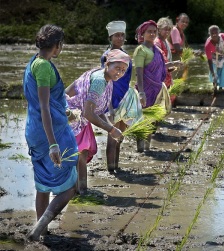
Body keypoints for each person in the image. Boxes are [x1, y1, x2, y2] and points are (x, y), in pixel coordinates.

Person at [23, 24, 78, 241]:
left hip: (34, 130)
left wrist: (65, 112)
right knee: (70, 187)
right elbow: (45, 106)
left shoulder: (33, 63)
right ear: (56, 46)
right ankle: (39, 228)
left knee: (42, 184)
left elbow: (45, 103)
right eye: (60, 44)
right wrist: (53, 143)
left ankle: (42, 231)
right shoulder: (44, 66)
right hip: (50, 133)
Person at [65, 49, 131, 194]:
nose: (119, 73)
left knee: (81, 153)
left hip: (78, 116)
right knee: (80, 154)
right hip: (70, 116)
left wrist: (110, 126)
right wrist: (111, 129)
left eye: (123, 70)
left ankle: (79, 189)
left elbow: (97, 111)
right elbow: (88, 112)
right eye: (117, 68)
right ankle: (80, 190)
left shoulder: (107, 78)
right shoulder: (100, 80)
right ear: (107, 64)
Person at [100, 21, 142, 173]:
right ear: (110, 37)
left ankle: (116, 166)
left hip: (125, 98)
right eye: (116, 35)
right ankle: (111, 170)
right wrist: (109, 106)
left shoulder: (125, 55)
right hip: (112, 99)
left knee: (120, 137)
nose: (120, 38)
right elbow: (105, 81)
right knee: (112, 136)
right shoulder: (106, 56)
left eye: (122, 35)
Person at [134, 20, 172, 152]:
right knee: (142, 118)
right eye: (149, 31)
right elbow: (139, 72)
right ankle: (140, 149)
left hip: (156, 89)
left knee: (152, 119)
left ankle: (147, 148)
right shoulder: (141, 50)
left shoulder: (157, 50)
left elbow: (161, 67)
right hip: (145, 89)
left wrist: (174, 65)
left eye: (154, 31)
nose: (152, 34)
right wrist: (141, 92)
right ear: (142, 33)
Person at [204, 25, 224, 91]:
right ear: (209, 34)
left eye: (216, 33)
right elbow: (209, 61)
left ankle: (221, 88)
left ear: (219, 33)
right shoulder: (208, 45)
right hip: (214, 54)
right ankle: (215, 87)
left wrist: (221, 51)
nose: (214, 35)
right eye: (212, 33)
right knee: (214, 65)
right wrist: (213, 74)